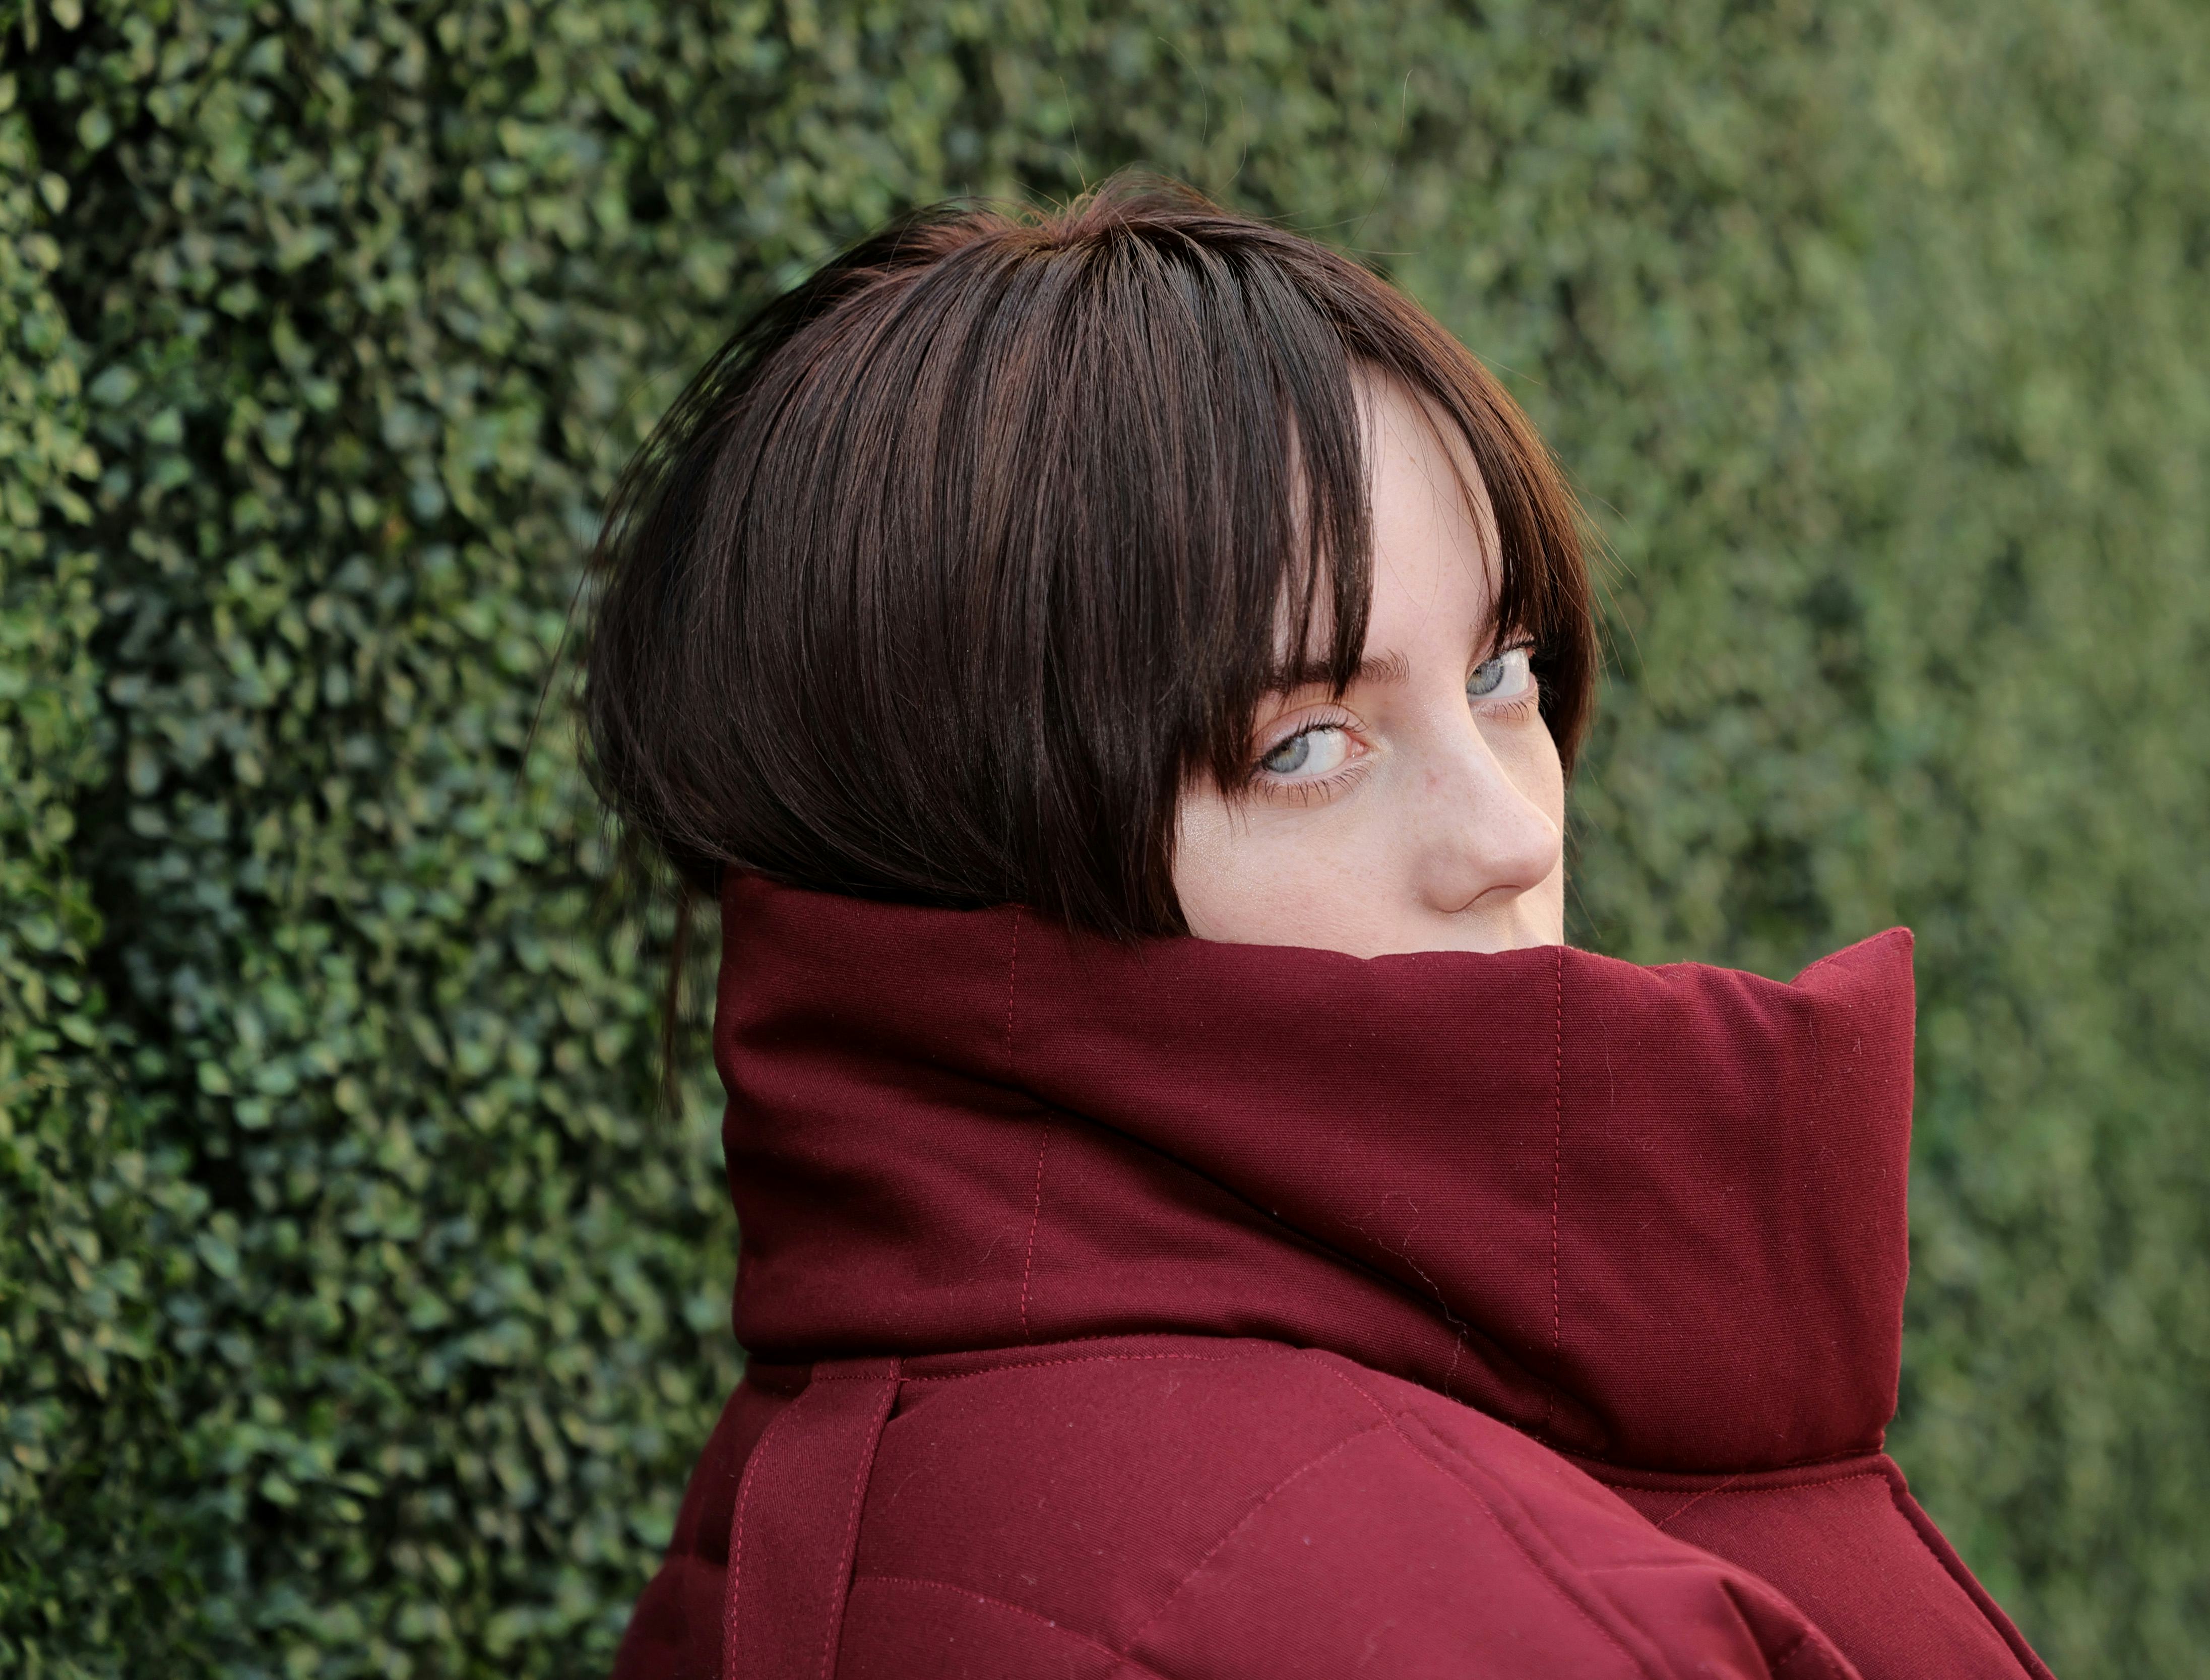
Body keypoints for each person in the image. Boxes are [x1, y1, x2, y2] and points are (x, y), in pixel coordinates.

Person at [588, 178, 2050, 1680]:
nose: (1513, 835)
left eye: (1503, 672)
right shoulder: (1398, 1610)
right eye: (1302, 745)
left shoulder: (851, 1462)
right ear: (964, 859)